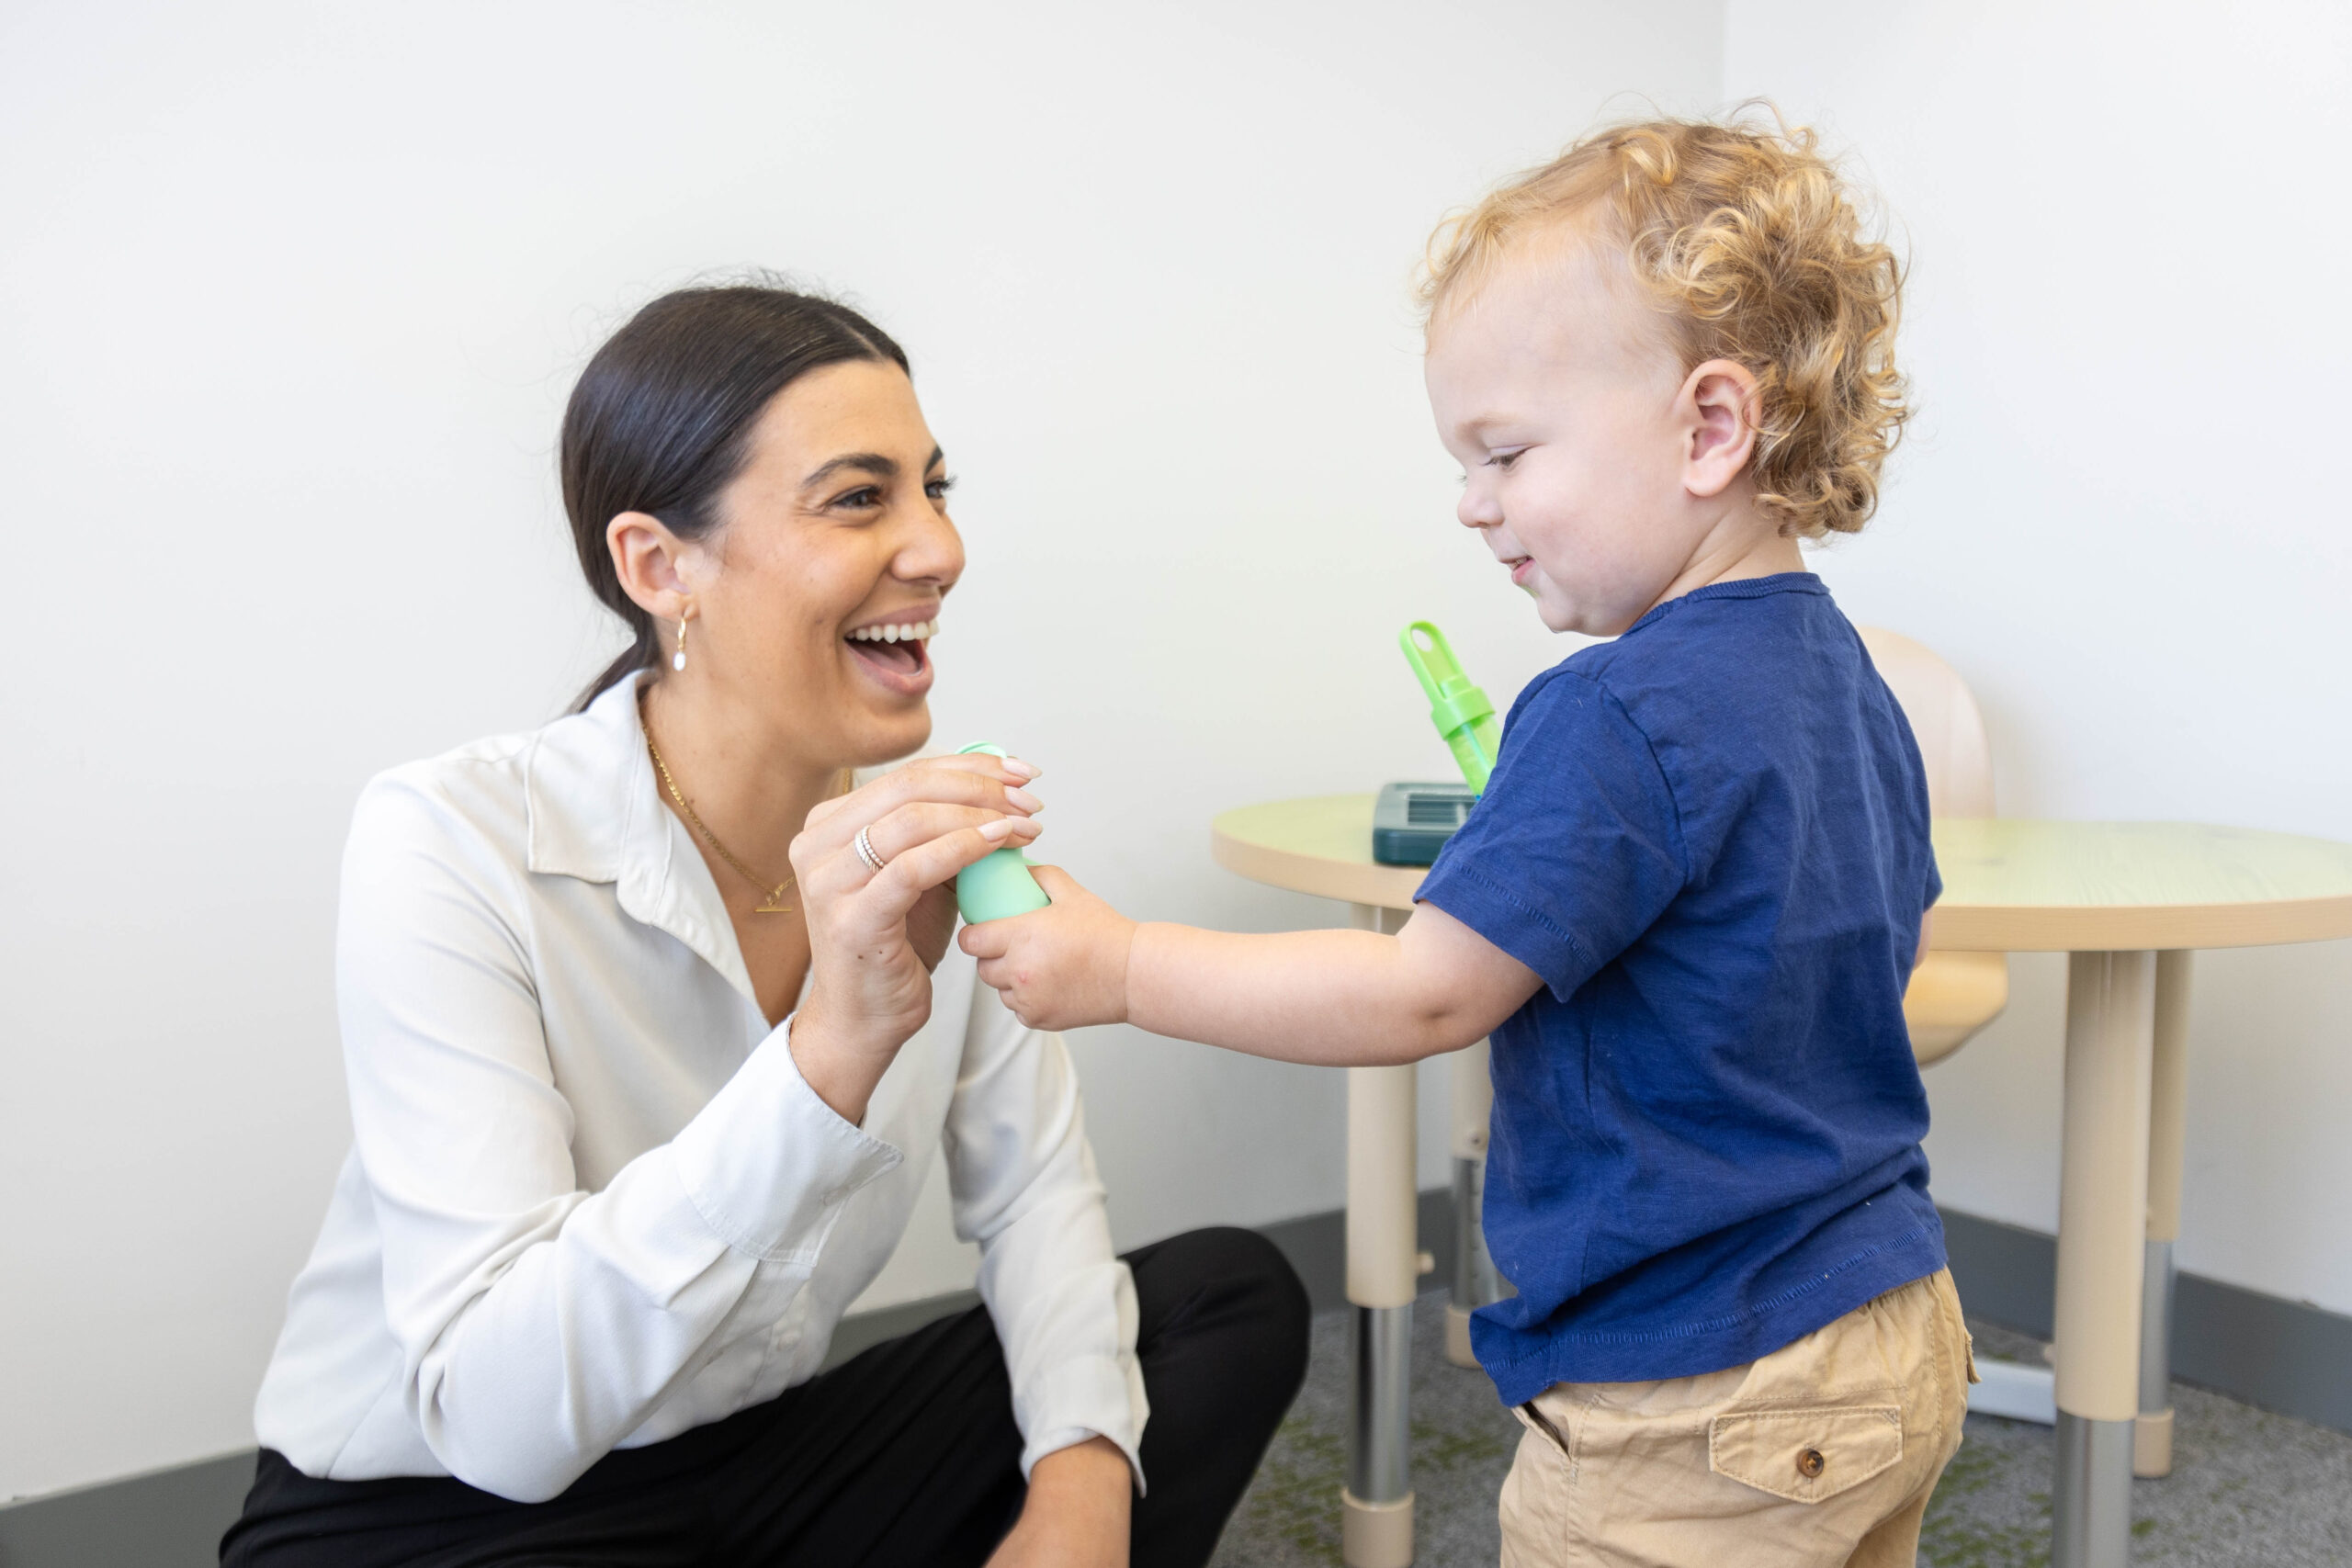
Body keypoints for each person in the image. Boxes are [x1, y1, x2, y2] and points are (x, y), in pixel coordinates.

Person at [963, 117, 1975, 1567]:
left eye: (1505, 452)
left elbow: (1420, 992)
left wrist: (1121, 966)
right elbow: (1875, 937)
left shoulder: (1614, 710)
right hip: (1891, 1322)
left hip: (1699, 1391)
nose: (1471, 501)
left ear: (1708, 428)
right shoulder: (1849, 678)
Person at [220, 284, 1307, 1568]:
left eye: (934, 488)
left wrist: (1079, 1491)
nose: (939, 549)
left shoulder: (922, 841)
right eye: (859, 497)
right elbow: (504, 1425)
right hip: (445, 1512)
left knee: (1222, 1300)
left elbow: (1035, 1203)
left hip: (754, 1460)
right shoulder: (451, 839)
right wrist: (829, 1049)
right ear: (658, 566)